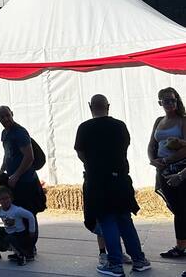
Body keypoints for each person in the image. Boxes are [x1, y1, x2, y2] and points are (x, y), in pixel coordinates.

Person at [75, 94, 151, 276]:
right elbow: (125, 147)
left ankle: (115, 263)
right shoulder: (119, 126)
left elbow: (80, 152)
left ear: (90, 106)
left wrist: (93, 165)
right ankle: (139, 259)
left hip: (98, 181)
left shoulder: (84, 128)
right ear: (108, 106)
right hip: (120, 179)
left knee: (107, 219)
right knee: (124, 218)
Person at [0, 106, 46, 249]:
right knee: (17, 214)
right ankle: (22, 246)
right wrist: (2, 170)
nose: (6, 119)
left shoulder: (20, 132)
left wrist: (17, 175)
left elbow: (29, 157)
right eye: (2, 117)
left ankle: (30, 246)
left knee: (28, 213)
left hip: (26, 181)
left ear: (12, 114)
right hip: (14, 181)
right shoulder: (5, 133)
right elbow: (8, 154)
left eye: (7, 115)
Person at [148, 87, 186, 259]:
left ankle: (181, 246)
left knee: (182, 208)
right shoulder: (159, 121)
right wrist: (152, 159)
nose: (170, 103)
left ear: (177, 101)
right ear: (160, 103)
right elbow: (151, 144)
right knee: (176, 208)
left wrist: (166, 160)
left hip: (180, 168)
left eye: (173, 100)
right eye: (166, 100)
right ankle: (181, 245)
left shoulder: (183, 120)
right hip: (162, 169)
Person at [0, 186, 36, 266]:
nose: (5, 201)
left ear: (11, 198)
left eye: (7, 198)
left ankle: (21, 255)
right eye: (2, 199)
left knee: (9, 238)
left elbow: (30, 216)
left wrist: (32, 231)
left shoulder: (17, 210)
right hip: (8, 232)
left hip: (19, 235)